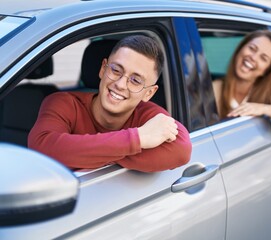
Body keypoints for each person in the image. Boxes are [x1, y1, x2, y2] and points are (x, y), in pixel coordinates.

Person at [28, 35, 192, 172]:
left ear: (149, 92)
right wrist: (139, 138)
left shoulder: (150, 117)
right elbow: (41, 150)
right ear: (103, 69)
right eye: (116, 70)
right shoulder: (63, 103)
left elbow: (182, 149)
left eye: (135, 80)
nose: (120, 84)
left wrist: (77, 153)